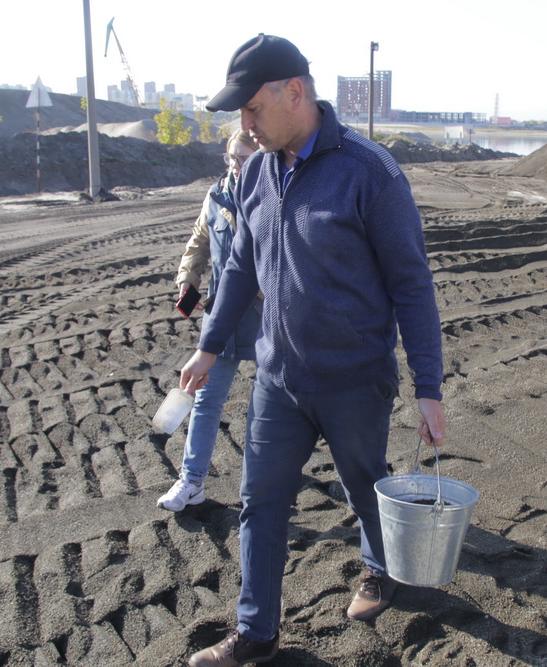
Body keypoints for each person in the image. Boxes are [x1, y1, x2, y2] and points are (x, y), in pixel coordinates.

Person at [181, 34, 447, 667]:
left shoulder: (369, 171)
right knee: (261, 502)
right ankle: (256, 636)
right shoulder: (258, 175)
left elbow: (412, 284)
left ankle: (380, 569)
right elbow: (240, 270)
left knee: (364, 485)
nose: (245, 125)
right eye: (240, 115)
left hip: (355, 379)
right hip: (279, 378)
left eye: (252, 110)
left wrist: (429, 387)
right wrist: (210, 346)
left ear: (293, 92)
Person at [156, 128, 261, 511]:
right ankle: (192, 481)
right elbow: (199, 242)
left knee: (266, 404)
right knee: (205, 400)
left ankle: (264, 478)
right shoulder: (216, 196)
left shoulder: (273, 195)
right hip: (221, 317)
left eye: (244, 159)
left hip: (267, 315)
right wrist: (188, 280)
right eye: (232, 157)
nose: (236, 166)